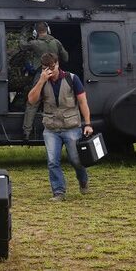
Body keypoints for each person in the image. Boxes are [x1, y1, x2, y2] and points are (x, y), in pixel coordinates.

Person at [27, 52, 93, 202]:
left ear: (57, 64)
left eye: (52, 66)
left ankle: (83, 180)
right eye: (45, 68)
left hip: (71, 126)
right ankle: (59, 191)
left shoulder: (72, 79)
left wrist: (87, 123)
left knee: (76, 160)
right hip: (51, 128)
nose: (50, 70)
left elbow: (83, 102)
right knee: (52, 161)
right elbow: (31, 100)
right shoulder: (42, 80)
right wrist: (41, 81)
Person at [19, 21, 69, 141]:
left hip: (41, 75)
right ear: (48, 30)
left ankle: (27, 132)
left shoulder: (34, 43)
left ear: (36, 32)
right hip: (56, 76)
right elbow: (66, 58)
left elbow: (22, 45)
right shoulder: (56, 42)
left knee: (32, 104)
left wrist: (24, 31)